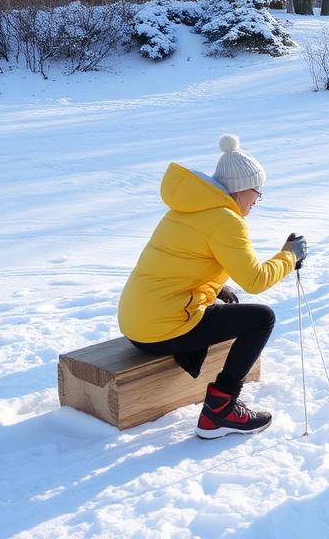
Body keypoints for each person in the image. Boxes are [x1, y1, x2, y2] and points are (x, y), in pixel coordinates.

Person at [118, 134, 308, 439]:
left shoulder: (186, 209)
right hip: (161, 328)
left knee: (227, 305)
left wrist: (217, 288)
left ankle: (217, 399)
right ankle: (221, 408)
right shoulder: (226, 221)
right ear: (243, 190)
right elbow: (256, 280)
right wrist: (289, 255)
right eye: (258, 193)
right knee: (262, 319)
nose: (257, 201)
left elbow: (181, 260)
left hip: (136, 321)